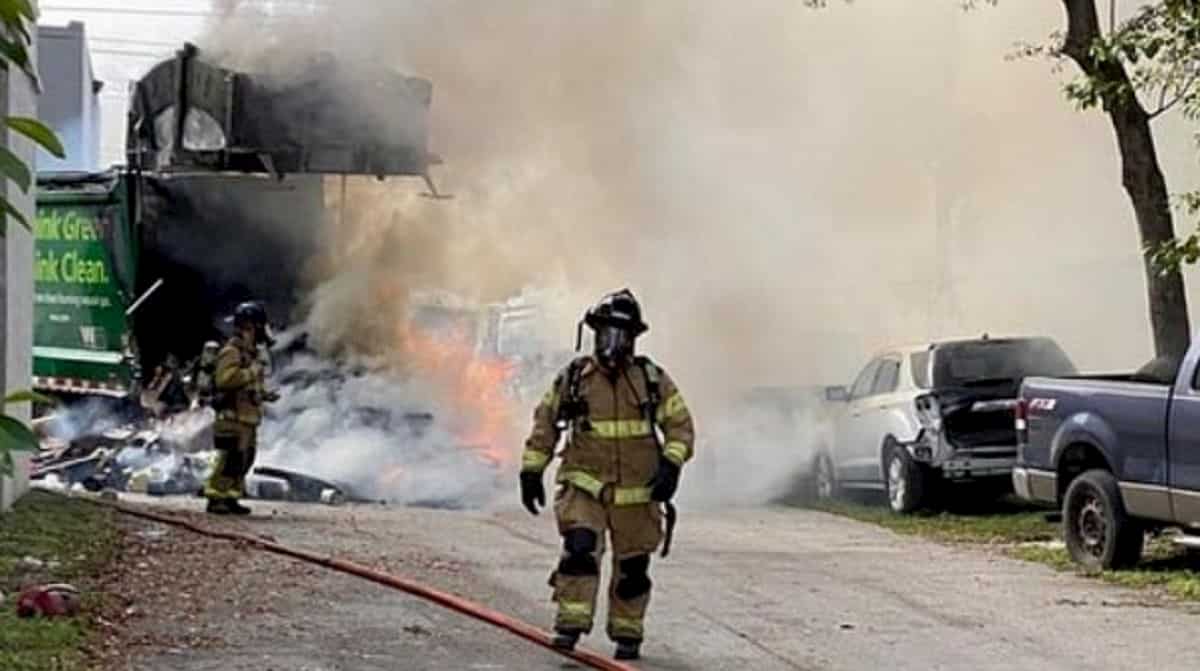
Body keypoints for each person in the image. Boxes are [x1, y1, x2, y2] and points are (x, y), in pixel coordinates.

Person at [519, 289, 695, 661]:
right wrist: (532, 470)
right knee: (579, 551)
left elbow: (680, 426)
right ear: (594, 334)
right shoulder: (574, 379)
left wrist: (671, 464)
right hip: (586, 486)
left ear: (633, 339)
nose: (614, 343)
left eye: (623, 335)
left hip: (638, 492)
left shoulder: (651, 379)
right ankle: (569, 625)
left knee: (633, 568)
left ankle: (627, 635)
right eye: (607, 333)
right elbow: (545, 424)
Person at [204, 302, 278, 515]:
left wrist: (264, 395)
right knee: (230, 460)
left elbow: (248, 387)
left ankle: (231, 498)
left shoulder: (250, 354)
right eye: (259, 326)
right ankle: (216, 497)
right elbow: (224, 380)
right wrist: (251, 373)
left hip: (247, 418)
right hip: (232, 417)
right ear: (250, 326)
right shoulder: (231, 351)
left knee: (244, 460)